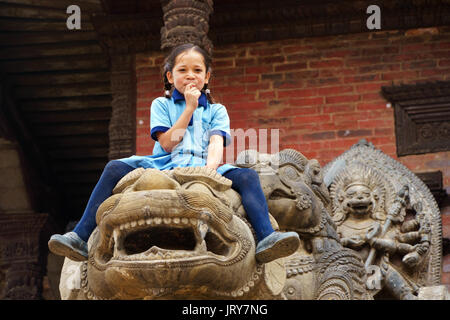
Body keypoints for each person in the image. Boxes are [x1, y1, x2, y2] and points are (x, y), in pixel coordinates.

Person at [48, 43, 300, 264]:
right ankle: (80, 236)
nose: (190, 75)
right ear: (170, 76)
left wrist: (209, 173)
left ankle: (267, 237)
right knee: (114, 167)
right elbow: (168, 143)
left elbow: (215, 143)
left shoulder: (217, 110)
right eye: (182, 70)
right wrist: (189, 109)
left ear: (207, 76)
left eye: (197, 70)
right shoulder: (160, 104)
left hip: (203, 164)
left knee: (248, 177)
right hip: (163, 162)